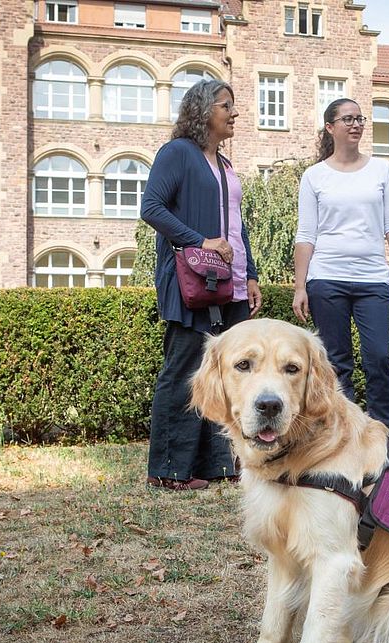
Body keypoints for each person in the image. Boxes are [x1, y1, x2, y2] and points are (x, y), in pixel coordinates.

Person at [141, 79, 262, 491]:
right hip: (193, 281)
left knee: (224, 375)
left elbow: (236, 228)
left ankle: (217, 464)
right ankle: (169, 469)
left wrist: (253, 275)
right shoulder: (177, 154)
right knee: (183, 372)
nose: (234, 113)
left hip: (231, 285)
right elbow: (151, 207)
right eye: (226, 105)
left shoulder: (226, 166)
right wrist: (198, 240)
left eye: (234, 105)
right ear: (202, 110)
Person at [293, 98, 389, 429]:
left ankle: (383, 432)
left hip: (373, 279)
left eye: (360, 118)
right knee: (336, 362)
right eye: (348, 119)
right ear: (330, 128)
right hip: (326, 278)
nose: (356, 124)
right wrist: (300, 286)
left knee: (379, 358)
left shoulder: (382, 170)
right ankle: (341, 431)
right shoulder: (314, 176)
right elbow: (306, 234)